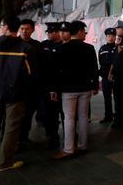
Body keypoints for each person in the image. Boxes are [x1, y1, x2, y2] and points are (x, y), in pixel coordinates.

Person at [0, 16, 34, 171]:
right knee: (11, 127)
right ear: (17, 29)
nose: (0, 28)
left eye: (1, 25)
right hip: (15, 95)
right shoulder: (25, 48)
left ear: (6, 27)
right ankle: (4, 162)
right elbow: (31, 74)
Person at [52, 21, 99, 159]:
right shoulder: (89, 48)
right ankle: (83, 145)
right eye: (84, 31)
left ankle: (68, 149)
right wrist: (95, 85)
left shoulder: (61, 49)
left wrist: (54, 89)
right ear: (78, 32)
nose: (85, 34)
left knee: (69, 119)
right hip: (85, 88)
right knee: (84, 117)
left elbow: (56, 71)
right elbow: (94, 68)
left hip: (68, 89)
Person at [37, 22, 63, 149]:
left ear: (58, 32)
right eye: (48, 32)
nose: (49, 34)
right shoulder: (43, 45)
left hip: (61, 85)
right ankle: (51, 136)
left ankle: (68, 135)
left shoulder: (63, 46)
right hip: (45, 85)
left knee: (61, 112)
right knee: (49, 113)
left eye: (52, 32)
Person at [18, 19, 42, 144]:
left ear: (32, 30)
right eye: (22, 28)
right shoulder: (14, 44)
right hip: (16, 87)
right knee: (15, 116)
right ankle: (13, 140)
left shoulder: (37, 46)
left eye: (27, 29)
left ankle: (24, 138)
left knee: (28, 114)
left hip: (33, 87)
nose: (24, 31)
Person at [98, 27, 118, 124]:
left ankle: (118, 117)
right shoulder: (102, 48)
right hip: (105, 77)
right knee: (107, 98)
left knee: (117, 98)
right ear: (106, 37)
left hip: (116, 77)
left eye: (113, 36)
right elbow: (101, 62)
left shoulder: (118, 48)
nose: (111, 38)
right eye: (109, 36)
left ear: (115, 37)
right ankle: (108, 116)